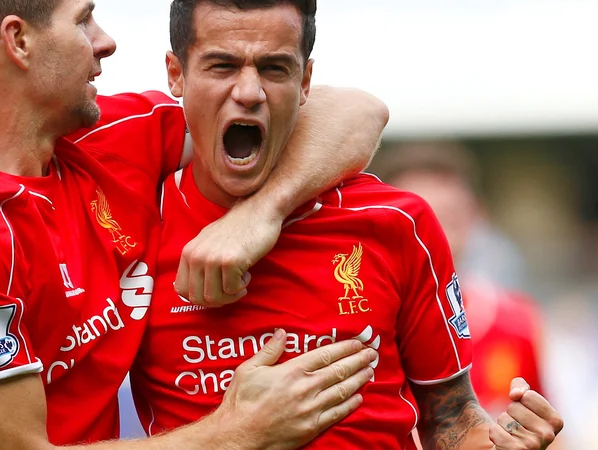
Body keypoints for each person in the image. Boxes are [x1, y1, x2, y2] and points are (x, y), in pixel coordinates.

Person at [0, 0, 390, 449]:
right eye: (84, 18)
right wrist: (238, 431)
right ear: (18, 41)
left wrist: (258, 214)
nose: (107, 41)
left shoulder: (106, 138)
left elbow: (357, 111)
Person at [128, 1, 563, 449]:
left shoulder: (396, 222)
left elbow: (451, 418)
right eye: (222, 66)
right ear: (176, 73)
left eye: (275, 69)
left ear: (306, 82)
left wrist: (498, 442)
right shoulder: (131, 229)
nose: (250, 91)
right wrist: (236, 433)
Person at [373, 142, 548, 418]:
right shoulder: (356, 328)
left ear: (477, 216)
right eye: (419, 219)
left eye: (450, 218)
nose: (436, 235)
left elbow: (553, 430)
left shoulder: (516, 322)